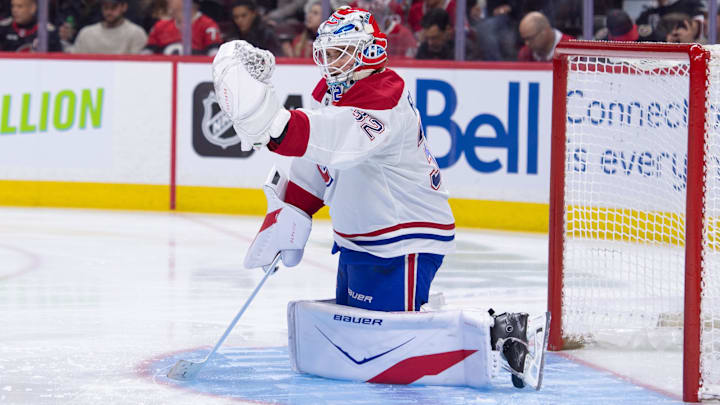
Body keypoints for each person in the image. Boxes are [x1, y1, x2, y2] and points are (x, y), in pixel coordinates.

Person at [211, 6, 548, 390]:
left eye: (342, 51)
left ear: (369, 52)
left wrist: (270, 123)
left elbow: (332, 140)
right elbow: (321, 162)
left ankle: (501, 331)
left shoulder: (383, 97)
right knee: (359, 341)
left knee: (387, 348)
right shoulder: (334, 93)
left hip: (402, 240)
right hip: (360, 238)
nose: (331, 60)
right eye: (328, 50)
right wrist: (292, 212)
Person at [144, 0, 222, 55]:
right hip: (162, 73)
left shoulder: (207, 25)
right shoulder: (159, 26)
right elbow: (146, 55)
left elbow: (214, 57)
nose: (168, 1)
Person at [69, 0, 147, 54]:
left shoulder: (136, 33)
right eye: (105, 7)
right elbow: (76, 62)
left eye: (113, 7)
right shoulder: (86, 34)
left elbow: (138, 66)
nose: (109, 12)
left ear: (124, 7)